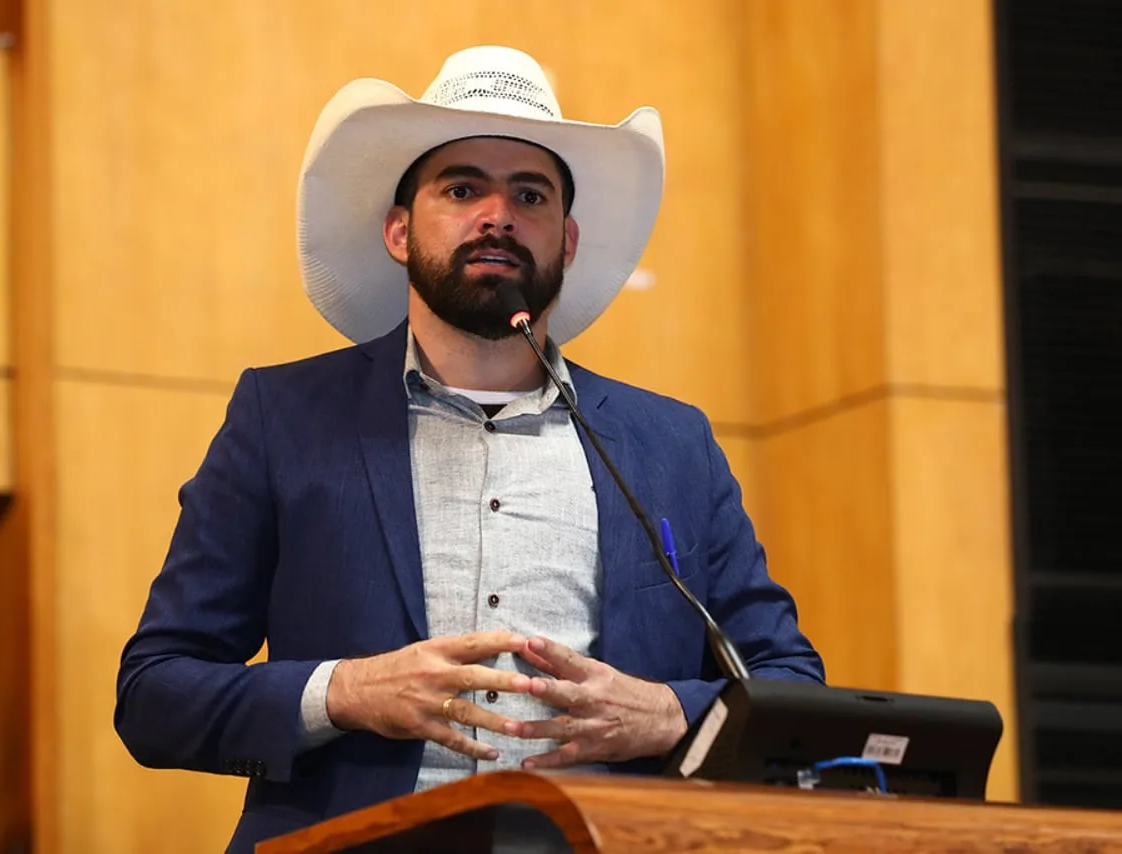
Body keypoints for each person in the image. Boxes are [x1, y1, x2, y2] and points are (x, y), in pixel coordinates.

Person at [114, 45, 824, 852]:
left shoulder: (671, 446)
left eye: (530, 194)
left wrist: (665, 715)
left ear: (569, 239)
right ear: (397, 230)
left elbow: (791, 690)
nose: (498, 214)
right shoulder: (284, 419)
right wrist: (344, 691)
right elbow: (155, 695)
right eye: (461, 189)